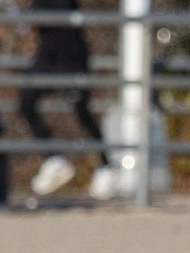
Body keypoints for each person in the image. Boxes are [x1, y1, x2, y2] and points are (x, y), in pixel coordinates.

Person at [17, 0, 118, 198]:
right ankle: (54, 159)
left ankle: (107, 166)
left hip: (72, 57)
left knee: (82, 112)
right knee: (26, 102)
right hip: (47, 57)